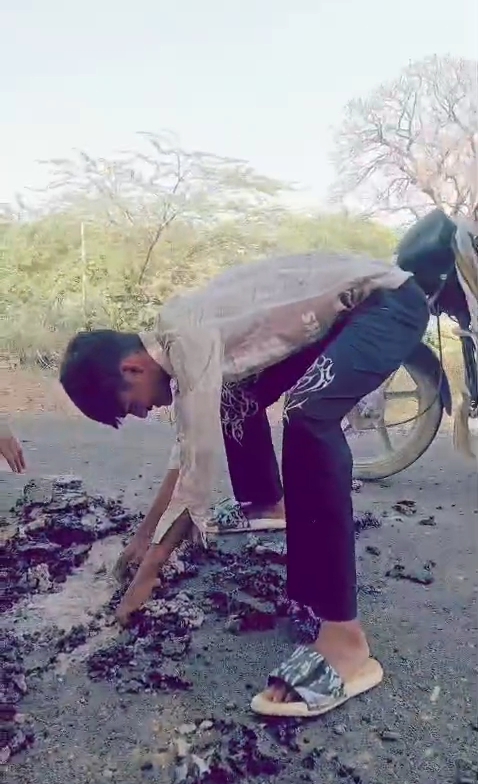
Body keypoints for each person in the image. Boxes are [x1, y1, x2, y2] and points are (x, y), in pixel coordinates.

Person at [59, 250, 430, 718]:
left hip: (386, 303)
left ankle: (346, 642)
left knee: (307, 416)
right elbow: (187, 447)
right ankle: (267, 504)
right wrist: (144, 536)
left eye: (131, 404)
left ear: (132, 368)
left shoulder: (187, 342)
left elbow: (198, 464)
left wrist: (151, 568)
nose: (143, 412)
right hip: (343, 316)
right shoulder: (177, 339)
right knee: (234, 399)